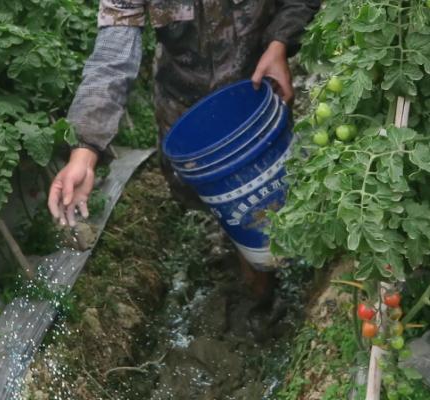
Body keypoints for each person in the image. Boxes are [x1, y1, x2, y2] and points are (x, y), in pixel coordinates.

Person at [48, 0, 320, 305]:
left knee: (266, 186)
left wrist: (280, 42)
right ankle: (245, 258)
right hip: (184, 96)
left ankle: (271, 280)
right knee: (216, 192)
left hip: (254, 83)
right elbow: (114, 50)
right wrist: (85, 150)